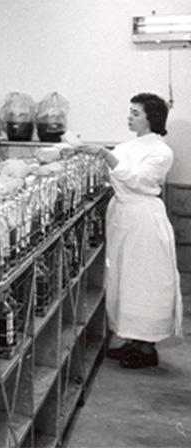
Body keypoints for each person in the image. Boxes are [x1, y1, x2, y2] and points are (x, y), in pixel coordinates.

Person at [78, 92, 183, 369]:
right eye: (131, 112)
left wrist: (104, 155)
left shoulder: (161, 152)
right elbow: (115, 170)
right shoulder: (129, 146)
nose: (129, 117)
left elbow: (137, 180)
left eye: (136, 113)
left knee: (144, 280)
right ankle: (133, 340)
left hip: (143, 218)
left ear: (152, 118)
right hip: (123, 216)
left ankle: (147, 349)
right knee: (123, 278)